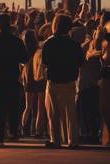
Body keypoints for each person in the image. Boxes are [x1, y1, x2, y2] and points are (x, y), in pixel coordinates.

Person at [42, 13, 84, 149]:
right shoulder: (74, 44)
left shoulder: (49, 42)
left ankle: (56, 140)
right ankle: (73, 140)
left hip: (54, 80)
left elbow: (45, 61)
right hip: (70, 80)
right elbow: (80, 62)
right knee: (71, 113)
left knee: (53, 112)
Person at [0, 13, 28, 147]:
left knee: (0, 106)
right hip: (13, 75)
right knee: (14, 105)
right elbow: (24, 58)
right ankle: (13, 131)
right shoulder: (16, 41)